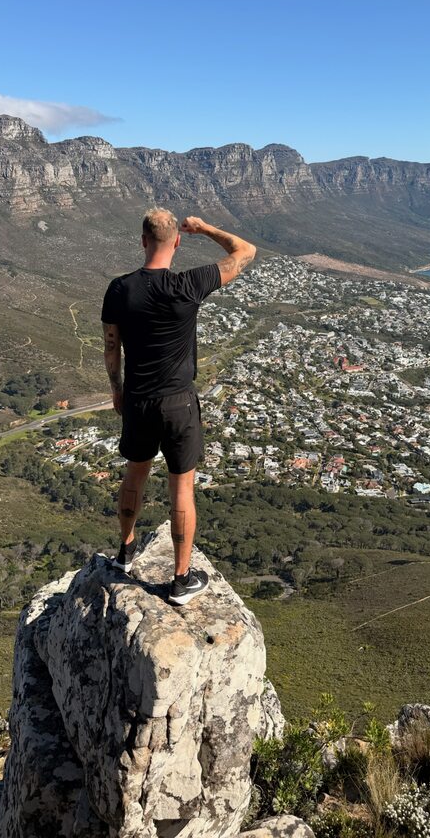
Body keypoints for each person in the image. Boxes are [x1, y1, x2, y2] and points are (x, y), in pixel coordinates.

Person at [101, 208, 256, 605]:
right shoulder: (191, 283)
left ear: (142, 241)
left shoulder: (119, 289)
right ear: (177, 243)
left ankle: (125, 551)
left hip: (137, 399)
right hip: (178, 404)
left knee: (134, 476)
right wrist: (204, 228)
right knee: (181, 489)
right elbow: (245, 250)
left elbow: (111, 346)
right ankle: (181, 579)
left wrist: (117, 390)